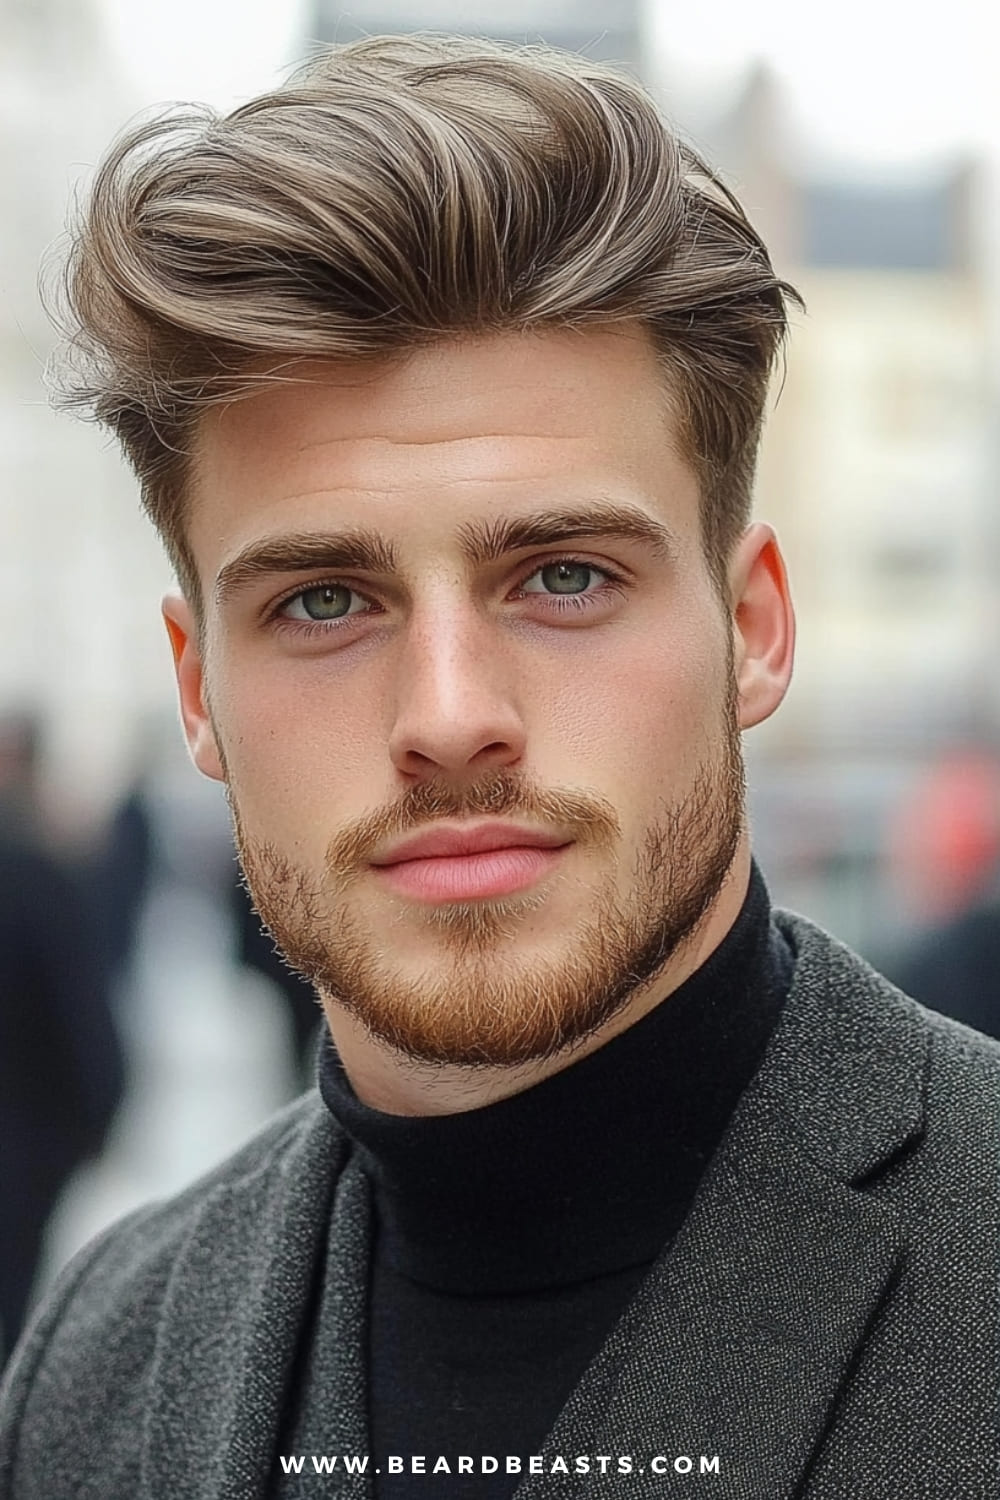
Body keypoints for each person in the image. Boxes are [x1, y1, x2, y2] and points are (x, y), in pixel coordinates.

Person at [1, 35, 996, 1497]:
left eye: (567, 577)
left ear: (755, 629)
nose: (451, 714)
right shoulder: (98, 1366)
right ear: (196, 689)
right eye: (324, 602)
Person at [0, 712, 124, 1363]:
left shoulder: (37, 867)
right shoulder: (37, 869)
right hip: (25, 1144)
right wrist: (100, 1113)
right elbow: (81, 1006)